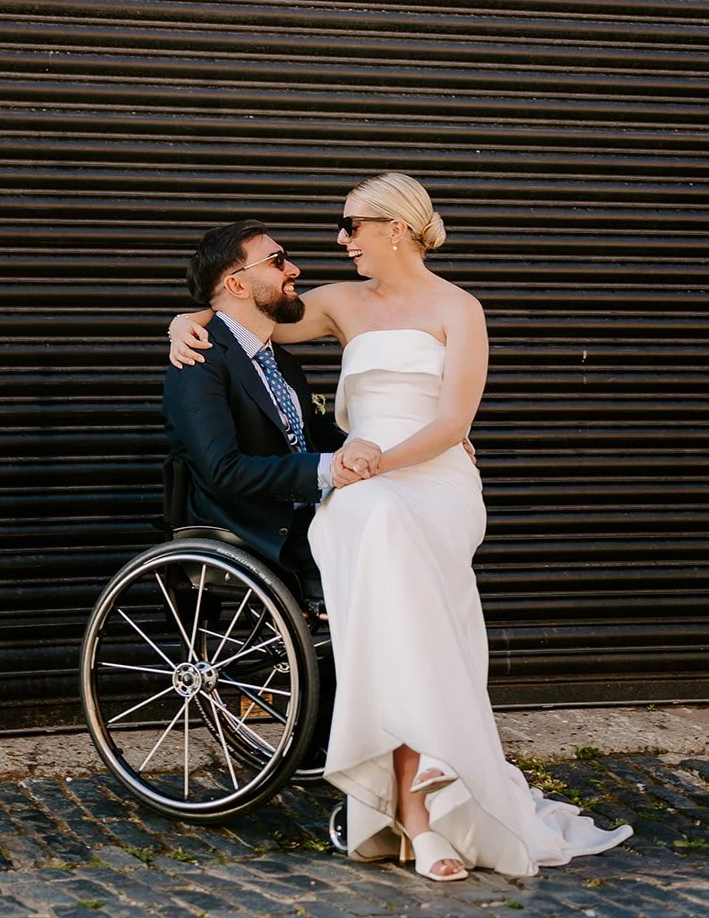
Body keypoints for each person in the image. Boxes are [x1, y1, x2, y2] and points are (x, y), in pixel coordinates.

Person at [168, 173, 632, 882]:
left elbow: (452, 422)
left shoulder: (459, 308)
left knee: (396, 539)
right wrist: (182, 325)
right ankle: (417, 807)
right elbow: (240, 322)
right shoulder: (336, 303)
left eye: (350, 226)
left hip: (429, 474)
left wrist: (379, 459)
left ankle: (421, 801)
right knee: (377, 521)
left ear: (394, 227)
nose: (338, 241)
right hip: (358, 483)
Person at [162, 219, 362, 597]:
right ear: (237, 284)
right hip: (254, 528)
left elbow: (315, 433)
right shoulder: (198, 363)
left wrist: (387, 450)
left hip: (313, 513)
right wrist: (328, 469)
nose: (294, 270)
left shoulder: (282, 361)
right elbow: (224, 471)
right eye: (277, 261)